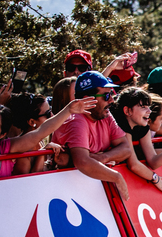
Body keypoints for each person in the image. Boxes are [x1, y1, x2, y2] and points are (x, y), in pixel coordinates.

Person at [53, 71, 131, 199]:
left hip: (87, 189)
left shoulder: (104, 113)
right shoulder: (76, 120)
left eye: (111, 94)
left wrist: (102, 158)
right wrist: (117, 177)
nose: (111, 100)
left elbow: (126, 148)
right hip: (68, 192)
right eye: (106, 96)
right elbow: (83, 162)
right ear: (87, 99)